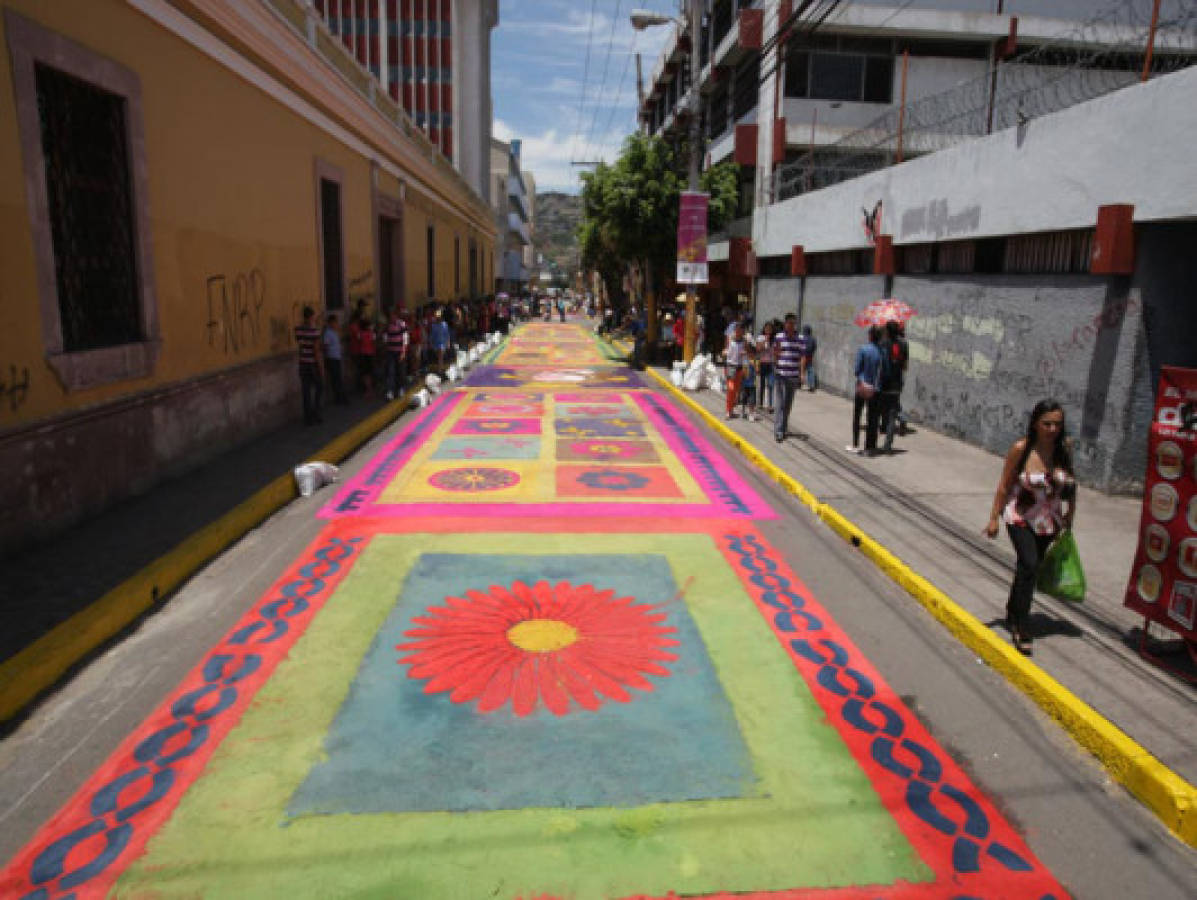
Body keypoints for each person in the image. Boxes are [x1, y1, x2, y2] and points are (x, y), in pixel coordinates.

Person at [984, 400, 1077, 653]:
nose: (1052, 429)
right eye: (1047, 423)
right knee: (1029, 564)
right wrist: (993, 518)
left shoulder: (1064, 449)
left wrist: (1070, 514)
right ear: (1035, 423)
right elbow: (1004, 485)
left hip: (1049, 521)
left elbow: (1070, 484)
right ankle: (1021, 627)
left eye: (1057, 424)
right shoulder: (1021, 449)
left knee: (1027, 569)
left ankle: (1013, 611)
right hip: (1020, 516)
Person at [849, 326, 884, 455]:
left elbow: (857, 370)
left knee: (857, 415)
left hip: (862, 387)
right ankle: (870, 446)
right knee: (873, 418)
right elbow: (883, 371)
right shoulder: (882, 352)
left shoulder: (863, 349)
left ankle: (855, 444)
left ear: (870, 336)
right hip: (876, 389)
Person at [878, 320, 909, 453]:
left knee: (881, 411)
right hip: (897, 382)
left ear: (887, 331)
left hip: (884, 383)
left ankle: (877, 438)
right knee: (892, 413)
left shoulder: (882, 344)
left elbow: (879, 364)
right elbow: (906, 366)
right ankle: (888, 445)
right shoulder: (904, 344)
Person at [772, 314, 803, 442]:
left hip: (793, 376)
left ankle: (783, 428)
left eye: (793, 323)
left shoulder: (800, 339)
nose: (791, 325)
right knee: (780, 404)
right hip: (781, 375)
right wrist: (776, 362)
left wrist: (802, 374)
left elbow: (802, 357)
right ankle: (778, 431)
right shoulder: (779, 337)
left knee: (788, 405)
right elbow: (775, 352)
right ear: (785, 324)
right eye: (789, 323)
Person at [294, 306, 324, 425]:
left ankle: (307, 417)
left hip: (303, 363)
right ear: (311, 317)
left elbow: (301, 344)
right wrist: (321, 367)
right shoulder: (315, 331)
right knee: (319, 387)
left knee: (305, 391)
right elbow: (316, 351)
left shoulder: (297, 330)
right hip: (313, 364)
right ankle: (316, 412)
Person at [348, 302, 377, 398]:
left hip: (363, 354)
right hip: (369, 353)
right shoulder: (371, 333)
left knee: (365, 373)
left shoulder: (361, 333)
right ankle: (369, 389)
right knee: (367, 372)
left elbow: (358, 338)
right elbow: (373, 340)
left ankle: (368, 390)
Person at [724, 321, 750, 420]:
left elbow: (748, 352)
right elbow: (726, 349)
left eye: (740, 330)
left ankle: (731, 409)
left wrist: (745, 353)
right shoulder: (730, 339)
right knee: (730, 389)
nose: (738, 332)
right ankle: (728, 411)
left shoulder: (744, 341)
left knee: (736, 390)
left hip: (739, 367)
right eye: (737, 329)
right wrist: (725, 353)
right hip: (730, 366)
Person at [383, 307, 409, 400]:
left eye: (393, 315)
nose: (391, 317)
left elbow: (405, 338)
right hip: (390, 352)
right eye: (390, 316)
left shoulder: (402, 324)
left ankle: (401, 388)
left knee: (401, 371)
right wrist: (386, 348)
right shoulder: (387, 325)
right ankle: (390, 391)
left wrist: (403, 352)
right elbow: (385, 338)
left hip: (399, 351)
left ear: (396, 315)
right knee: (391, 371)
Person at [322, 312, 347, 405]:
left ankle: (340, 397)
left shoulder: (335, 332)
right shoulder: (328, 333)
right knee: (336, 379)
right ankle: (339, 398)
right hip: (332, 358)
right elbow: (325, 346)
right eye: (335, 322)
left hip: (337, 358)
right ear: (330, 323)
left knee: (338, 378)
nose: (337, 324)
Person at [756, 321, 775, 412]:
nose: (768, 330)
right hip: (763, 363)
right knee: (762, 384)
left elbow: (776, 351)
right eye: (766, 328)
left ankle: (770, 405)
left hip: (771, 364)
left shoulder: (774, 339)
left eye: (770, 329)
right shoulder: (761, 338)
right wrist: (765, 341)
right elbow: (758, 349)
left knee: (771, 384)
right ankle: (760, 403)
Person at [739, 341, 759, 422]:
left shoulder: (755, 361)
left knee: (752, 399)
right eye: (749, 353)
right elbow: (743, 372)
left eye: (752, 353)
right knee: (744, 398)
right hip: (745, 383)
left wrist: (753, 364)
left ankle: (751, 413)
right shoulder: (745, 361)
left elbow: (758, 371)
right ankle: (743, 411)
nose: (750, 355)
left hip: (752, 383)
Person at [797, 324, 818, 391]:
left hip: (802, 356)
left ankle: (799, 384)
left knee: (800, 370)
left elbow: (798, 346)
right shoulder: (813, 339)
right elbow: (815, 347)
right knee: (810, 371)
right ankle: (811, 386)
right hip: (809, 357)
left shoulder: (801, 338)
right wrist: (811, 353)